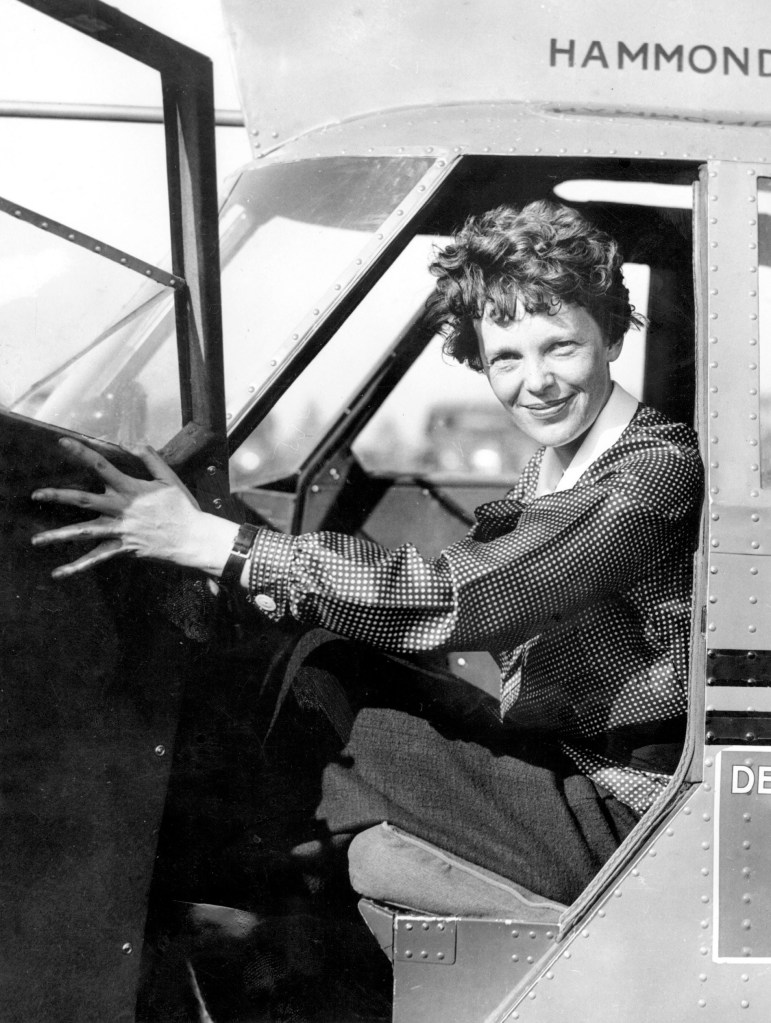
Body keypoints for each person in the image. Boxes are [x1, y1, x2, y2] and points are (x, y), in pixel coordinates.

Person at [31, 200, 702, 909]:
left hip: (631, 817)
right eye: (505, 356)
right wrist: (239, 566)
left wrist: (223, 545)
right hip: (568, 768)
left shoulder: (649, 469)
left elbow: (464, 597)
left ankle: (212, 920)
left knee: (351, 738)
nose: (535, 380)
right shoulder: (553, 465)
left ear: (611, 337)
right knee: (329, 665)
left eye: (559, 346)